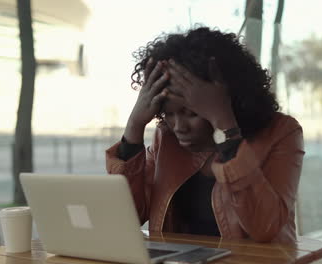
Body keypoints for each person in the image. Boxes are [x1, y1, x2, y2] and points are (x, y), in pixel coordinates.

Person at [105, 27, 304, 243]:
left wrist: (225, 124)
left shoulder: (282, 132)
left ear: (228, 102)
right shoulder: (167, 138)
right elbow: (128, 216)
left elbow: (265, 227)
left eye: (191, 113)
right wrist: (134, 126)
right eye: (168, 113)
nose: (179, 126)